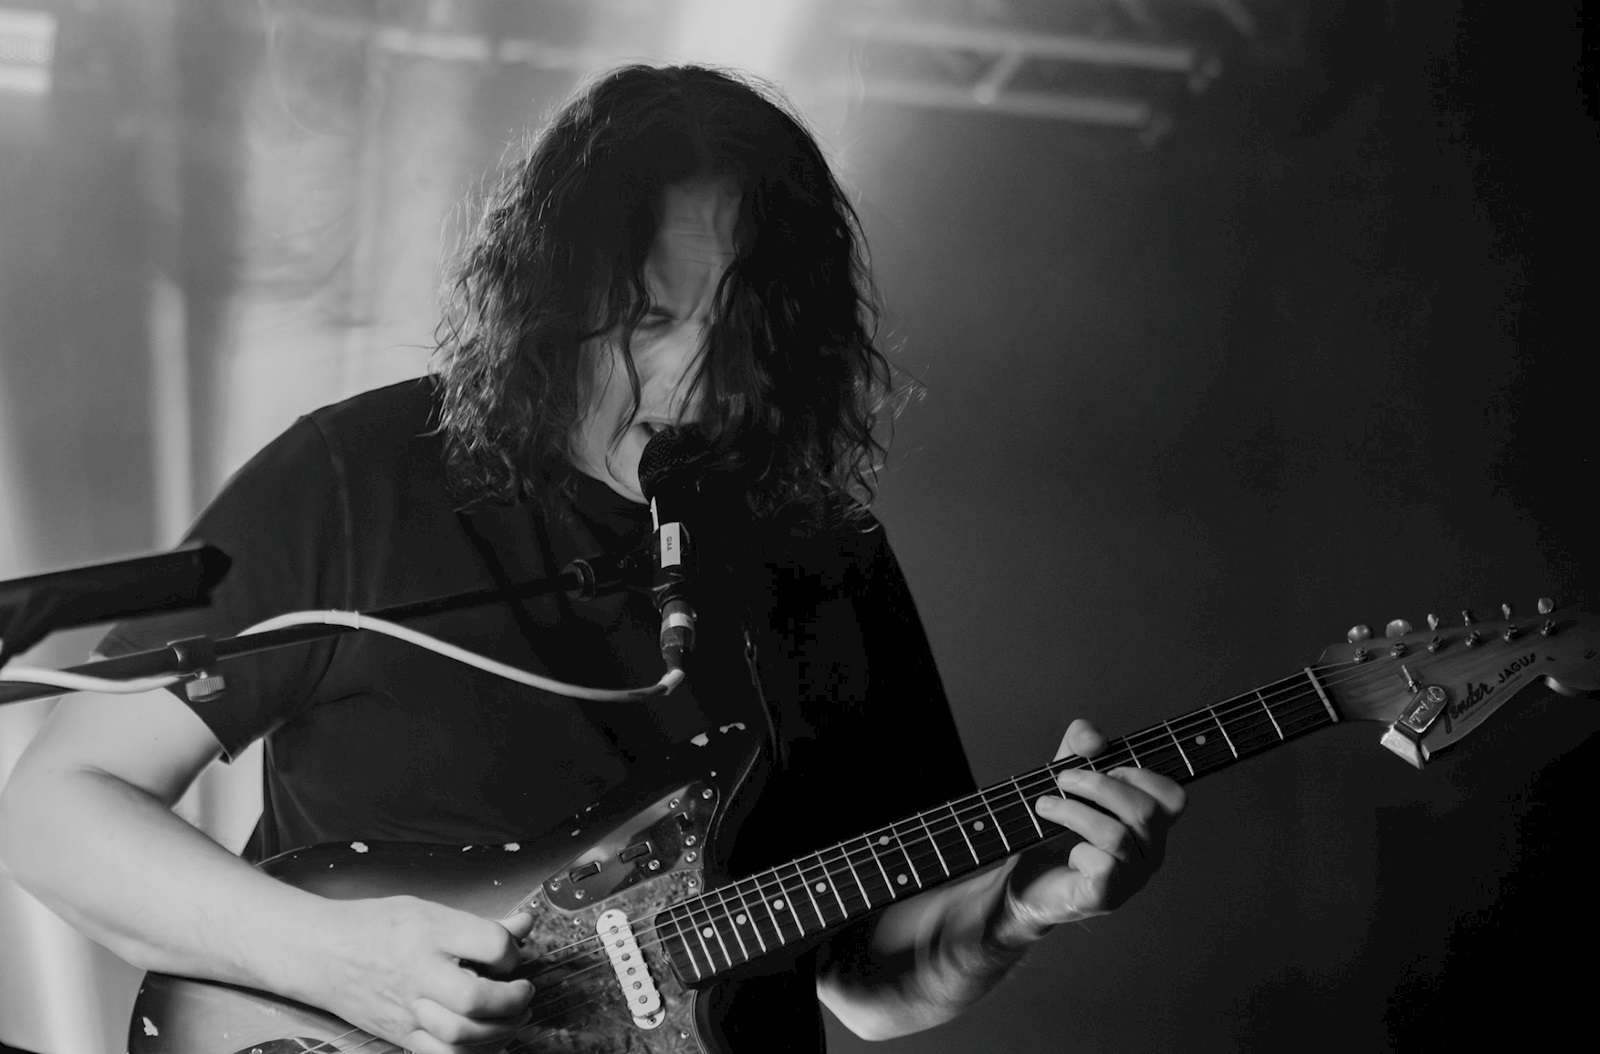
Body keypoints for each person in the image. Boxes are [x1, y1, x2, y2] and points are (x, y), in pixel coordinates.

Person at [0, 64, 1184, 1052]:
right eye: (651, 317)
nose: (697, 381)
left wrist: (1023, 903)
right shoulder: (362, 476)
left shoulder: (827, 557)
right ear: (548, 300)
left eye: (744, 328)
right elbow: (58, 811)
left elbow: (869, 982)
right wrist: (333, 957)